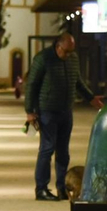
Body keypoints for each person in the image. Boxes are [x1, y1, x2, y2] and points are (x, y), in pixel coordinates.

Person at [25, 32, 80, 201]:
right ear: (58, 46)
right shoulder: (43, 59)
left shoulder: (72, 59)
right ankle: (41, 189)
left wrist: (91, 97)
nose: (68, 55)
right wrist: (29, 111)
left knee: (63, 152)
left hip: (66, 110)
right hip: (47, 110)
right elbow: (31, 85)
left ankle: (62, 187)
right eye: (66, 51)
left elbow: (77, 81)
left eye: (71, 51)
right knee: (47, 149)